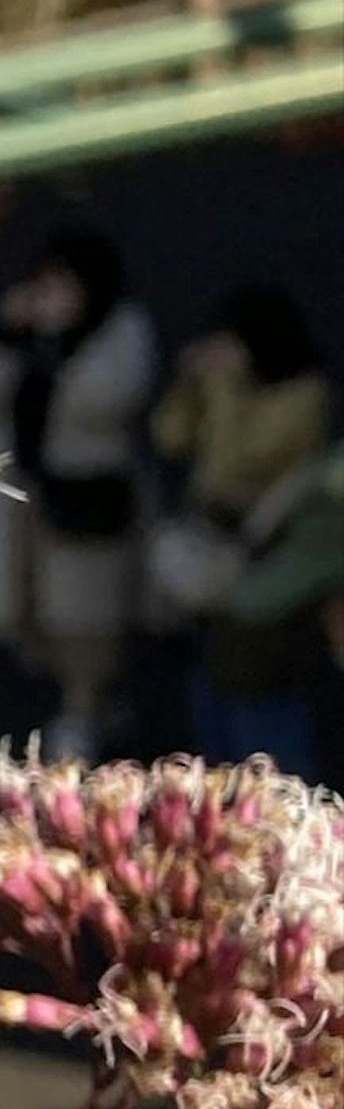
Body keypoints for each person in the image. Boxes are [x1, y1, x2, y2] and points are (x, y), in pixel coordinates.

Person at [0, 222, 158, 759]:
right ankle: (91, 699)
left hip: (87, 498)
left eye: (67, 283)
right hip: (24, 496)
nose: (54, 296)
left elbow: (110, 398)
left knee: (86, 617)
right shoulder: (21, 331)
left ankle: (82, 711)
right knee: (32, 610)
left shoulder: (121, 328)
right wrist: (6, 332)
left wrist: (63, 342)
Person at [149, 281, 329, 772]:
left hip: (264, 548)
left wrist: (227, 394)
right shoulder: (218, 384)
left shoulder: (303, 394)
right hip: (209, 540)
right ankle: (225, 780)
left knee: (260, 680)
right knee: (209, 673)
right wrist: (189, 385)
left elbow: (247, 462)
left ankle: (281, 787)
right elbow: (170, 437)